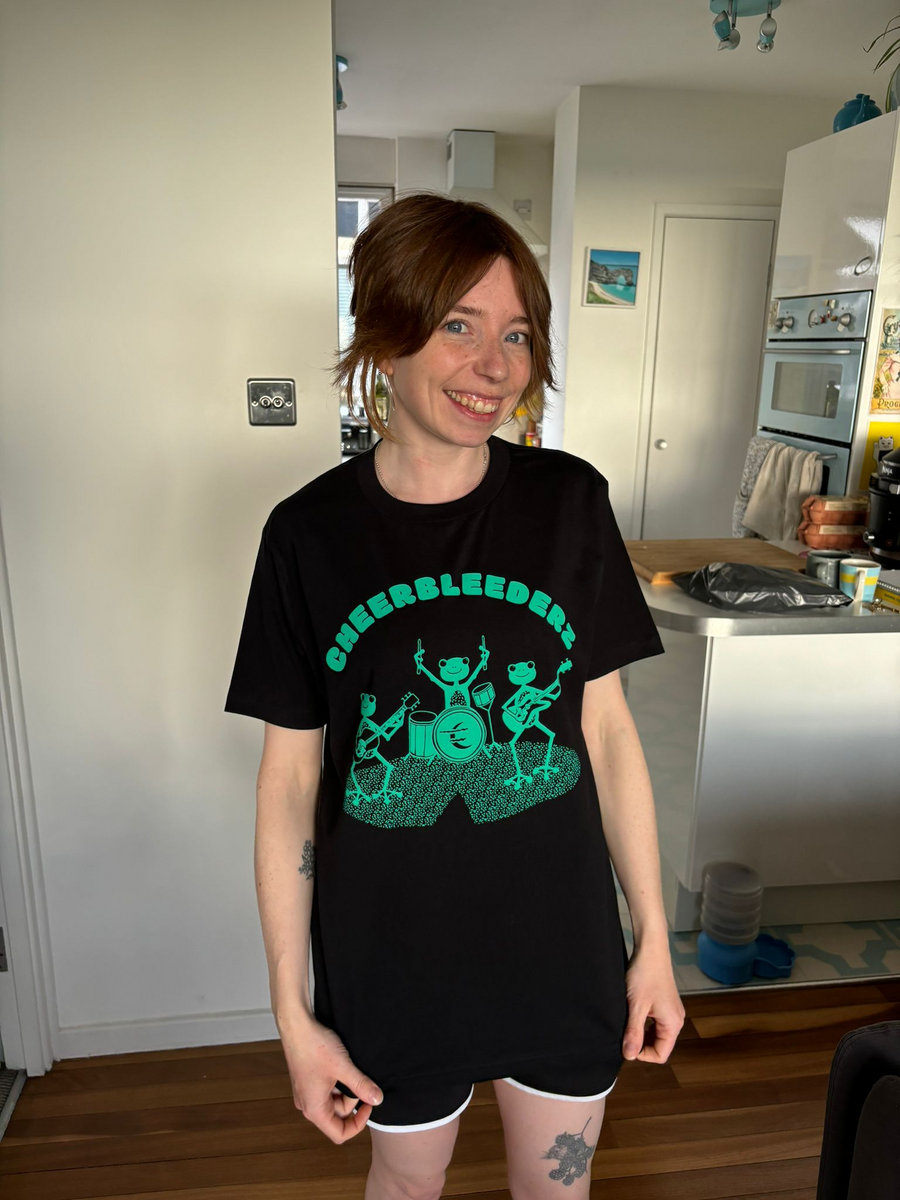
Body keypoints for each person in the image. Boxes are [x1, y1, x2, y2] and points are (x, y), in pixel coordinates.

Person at [226, 193, 684, 1200]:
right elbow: (288, 784)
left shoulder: (570, 504)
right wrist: (292, 1013)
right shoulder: (307, 536)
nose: (496, 365)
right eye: (458, 326)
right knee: (405, 1185)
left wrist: (653, 940)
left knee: (558, 1190)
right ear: (384, 337)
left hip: (562, 947)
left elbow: (607, 733)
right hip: (390, 958)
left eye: (516, 334)